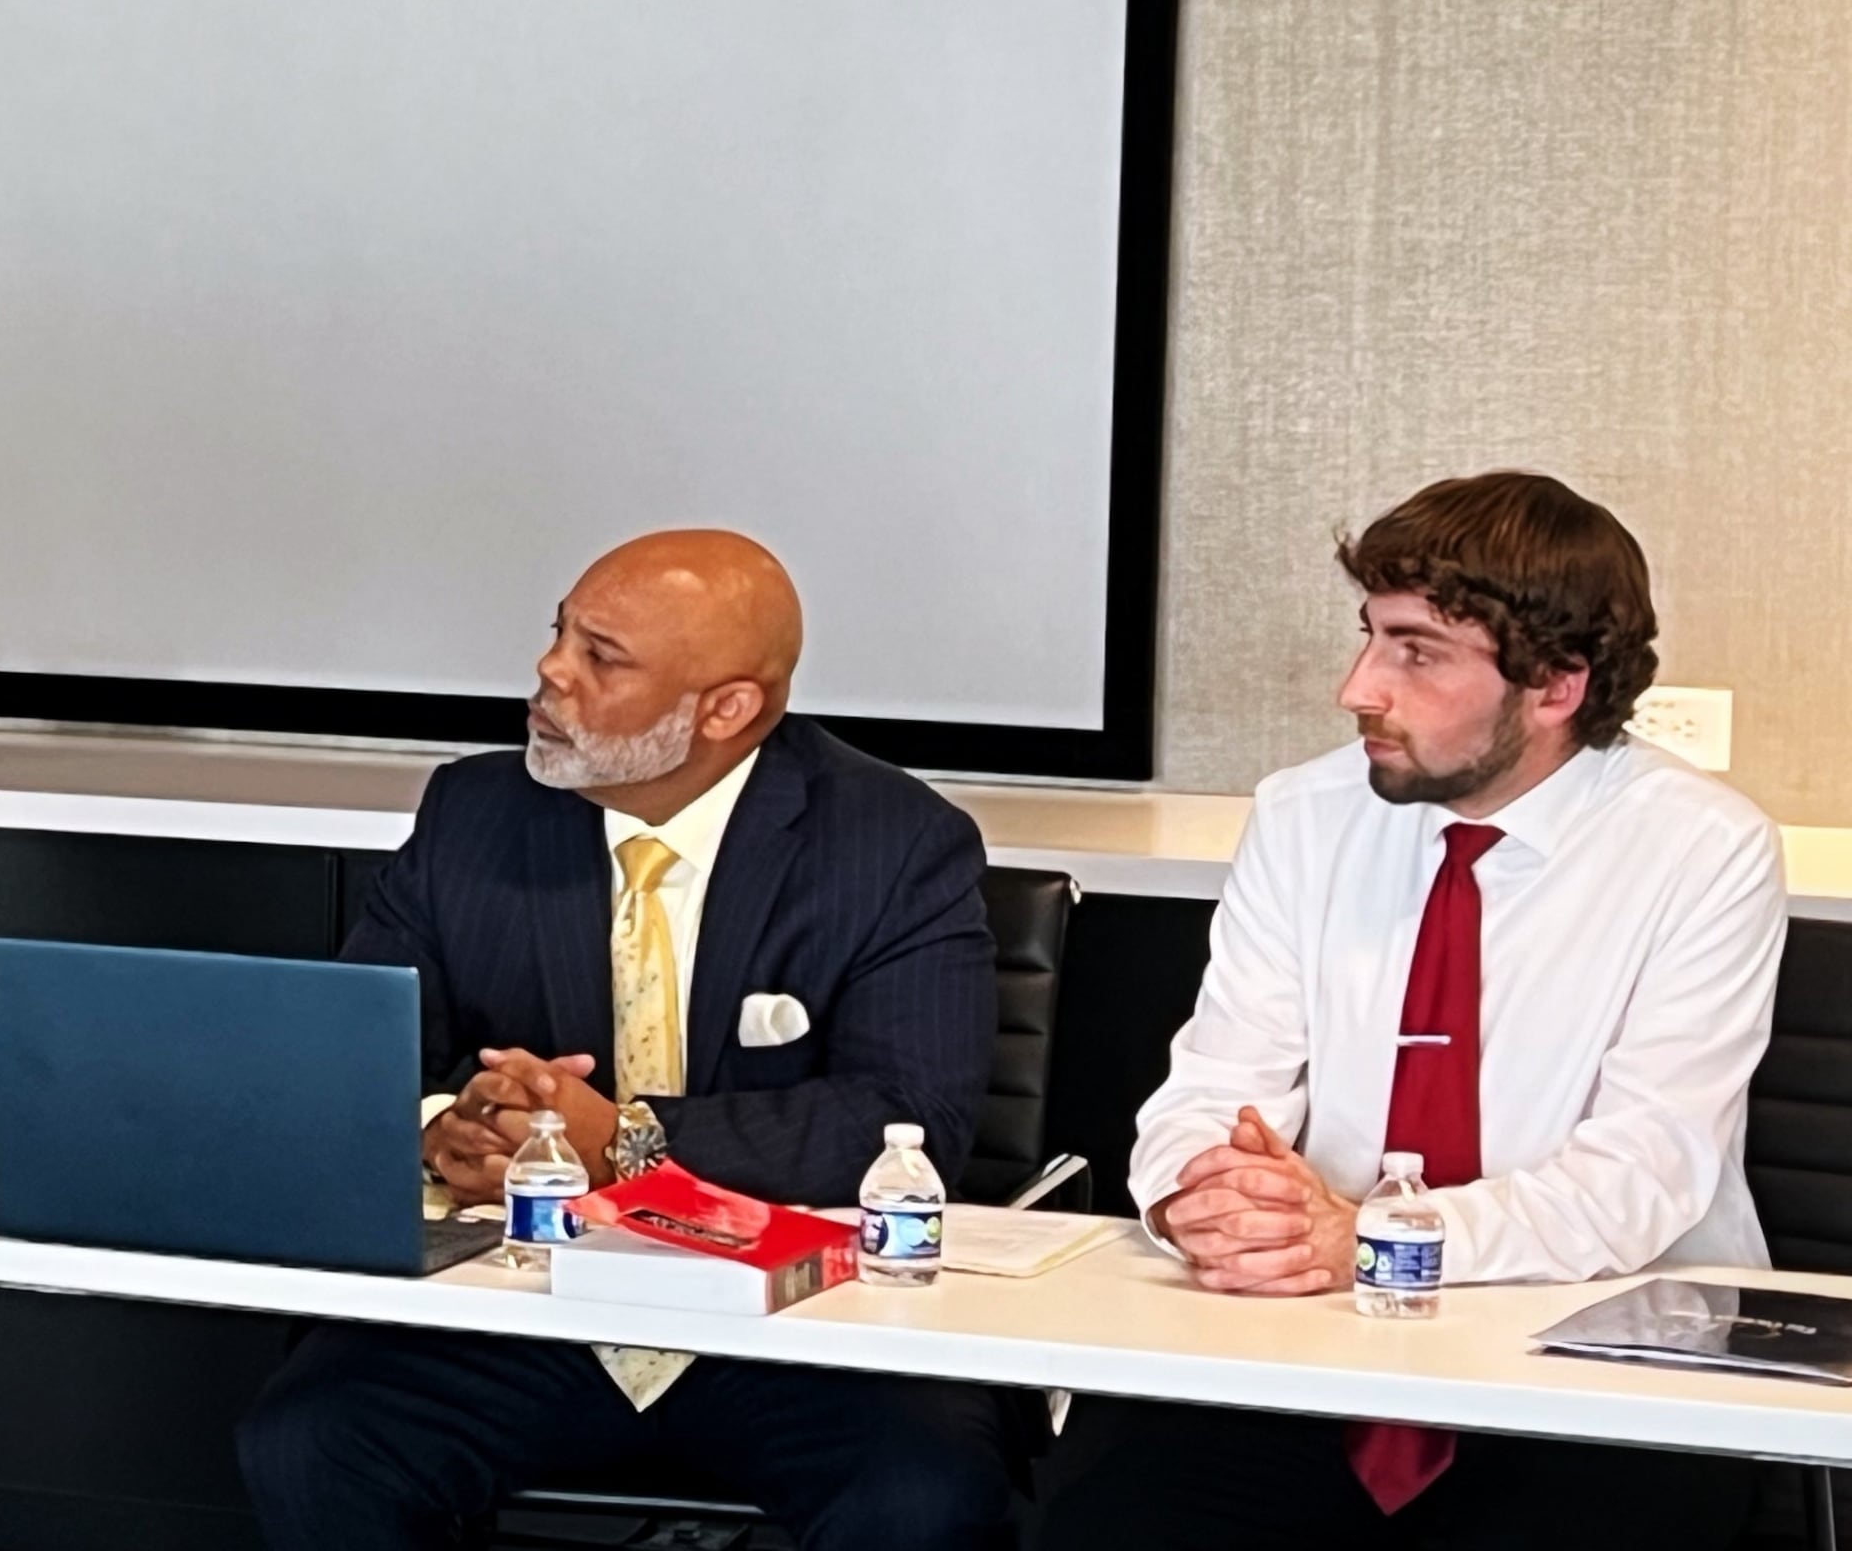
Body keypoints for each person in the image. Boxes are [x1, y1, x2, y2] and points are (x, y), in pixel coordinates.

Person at [1034, 471, 1783, 1549]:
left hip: (1587, 1344)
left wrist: (1377, 1239)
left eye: (1416, 652)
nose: (1357, 686)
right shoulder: (1307, 814)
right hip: (1309, 1335)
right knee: (1101, 1513)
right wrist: (1204, 1198)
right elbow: (1210, 1088)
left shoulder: (1702, 849)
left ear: (1557, 682)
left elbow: (1645, 1178)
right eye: (1370, 637)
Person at [234, 530, 1017, 1551]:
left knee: (923, 1493)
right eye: (560, 632)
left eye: (602, 657)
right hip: (528, 1303)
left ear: (726, 710)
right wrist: (446, 1130)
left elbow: (906, 1120)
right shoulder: (474, 812)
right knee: (311, 1442)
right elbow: (350, 1061)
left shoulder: (892, 844)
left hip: (789, 1320)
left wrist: (630, 1146)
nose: (550, 670)